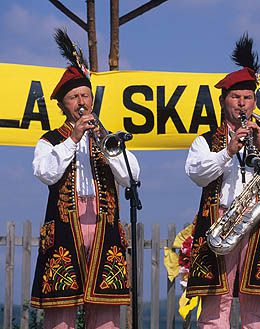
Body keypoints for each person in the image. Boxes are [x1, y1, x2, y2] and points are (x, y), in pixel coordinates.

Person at [184, 34, 260, 329]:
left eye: (247, 98)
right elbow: (196, 173)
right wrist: (228, 151)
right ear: (224, 102)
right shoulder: (206, 140)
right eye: (236, 97)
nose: (242, 103)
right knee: (214, 304)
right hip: (221, 220)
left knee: (257, 307)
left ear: (255, 102)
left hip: (258, 224)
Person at [30, 29, 140, 329]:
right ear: (62, 105)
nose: (81, 101)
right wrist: (73, 139)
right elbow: (45, 172)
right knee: (61, 312)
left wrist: (106, 141)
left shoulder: (108, 136)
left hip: (104, 227)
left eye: (85, 95)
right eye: (74, 97)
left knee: (105, 313)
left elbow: (132, 176)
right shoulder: (51, 140)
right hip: (67, 227)